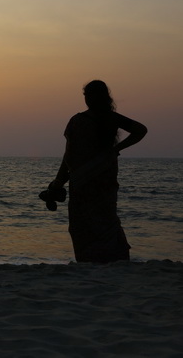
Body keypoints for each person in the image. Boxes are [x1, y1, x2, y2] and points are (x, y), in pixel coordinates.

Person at [47, 80, 147, 263]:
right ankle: (111, 260)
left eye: (89, 95)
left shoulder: (80, 121)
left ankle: (93, 261)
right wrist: (115, 150)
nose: (88, 99)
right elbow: (140, 130)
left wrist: (58, 183)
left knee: (87, 224)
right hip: (99, 180)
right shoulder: (110, 119)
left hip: (90, 182)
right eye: (86, 96)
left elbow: (69, 156)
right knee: (104, 221)